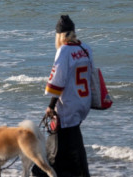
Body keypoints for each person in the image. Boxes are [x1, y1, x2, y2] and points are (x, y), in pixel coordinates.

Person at [33, 15, 92, 177]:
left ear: (59, 35)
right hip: (82, 103)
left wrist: (51, 106)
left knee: (56, 148)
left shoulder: (64, 51)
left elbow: (58, 81)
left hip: (68, 105)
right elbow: (92, 76)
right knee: (73, 141)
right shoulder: (85, 49)